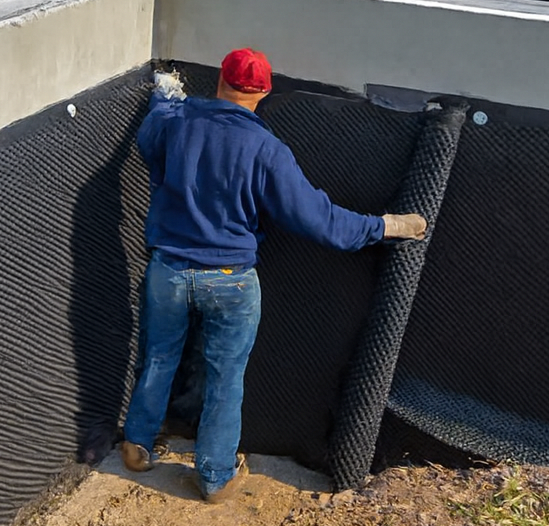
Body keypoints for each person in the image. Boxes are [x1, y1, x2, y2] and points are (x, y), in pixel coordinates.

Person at [119, 47, 427, 502]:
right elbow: (320, 221)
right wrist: (387, 226)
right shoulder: (267, 149)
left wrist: (165, 93)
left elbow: (152, 134)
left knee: (160, 357)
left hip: (168, 269)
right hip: (231, 279)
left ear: (220, 81)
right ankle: (215, 477)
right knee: (225, 378)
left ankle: (136, 446)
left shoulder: (176, 121)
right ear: (264, 91)